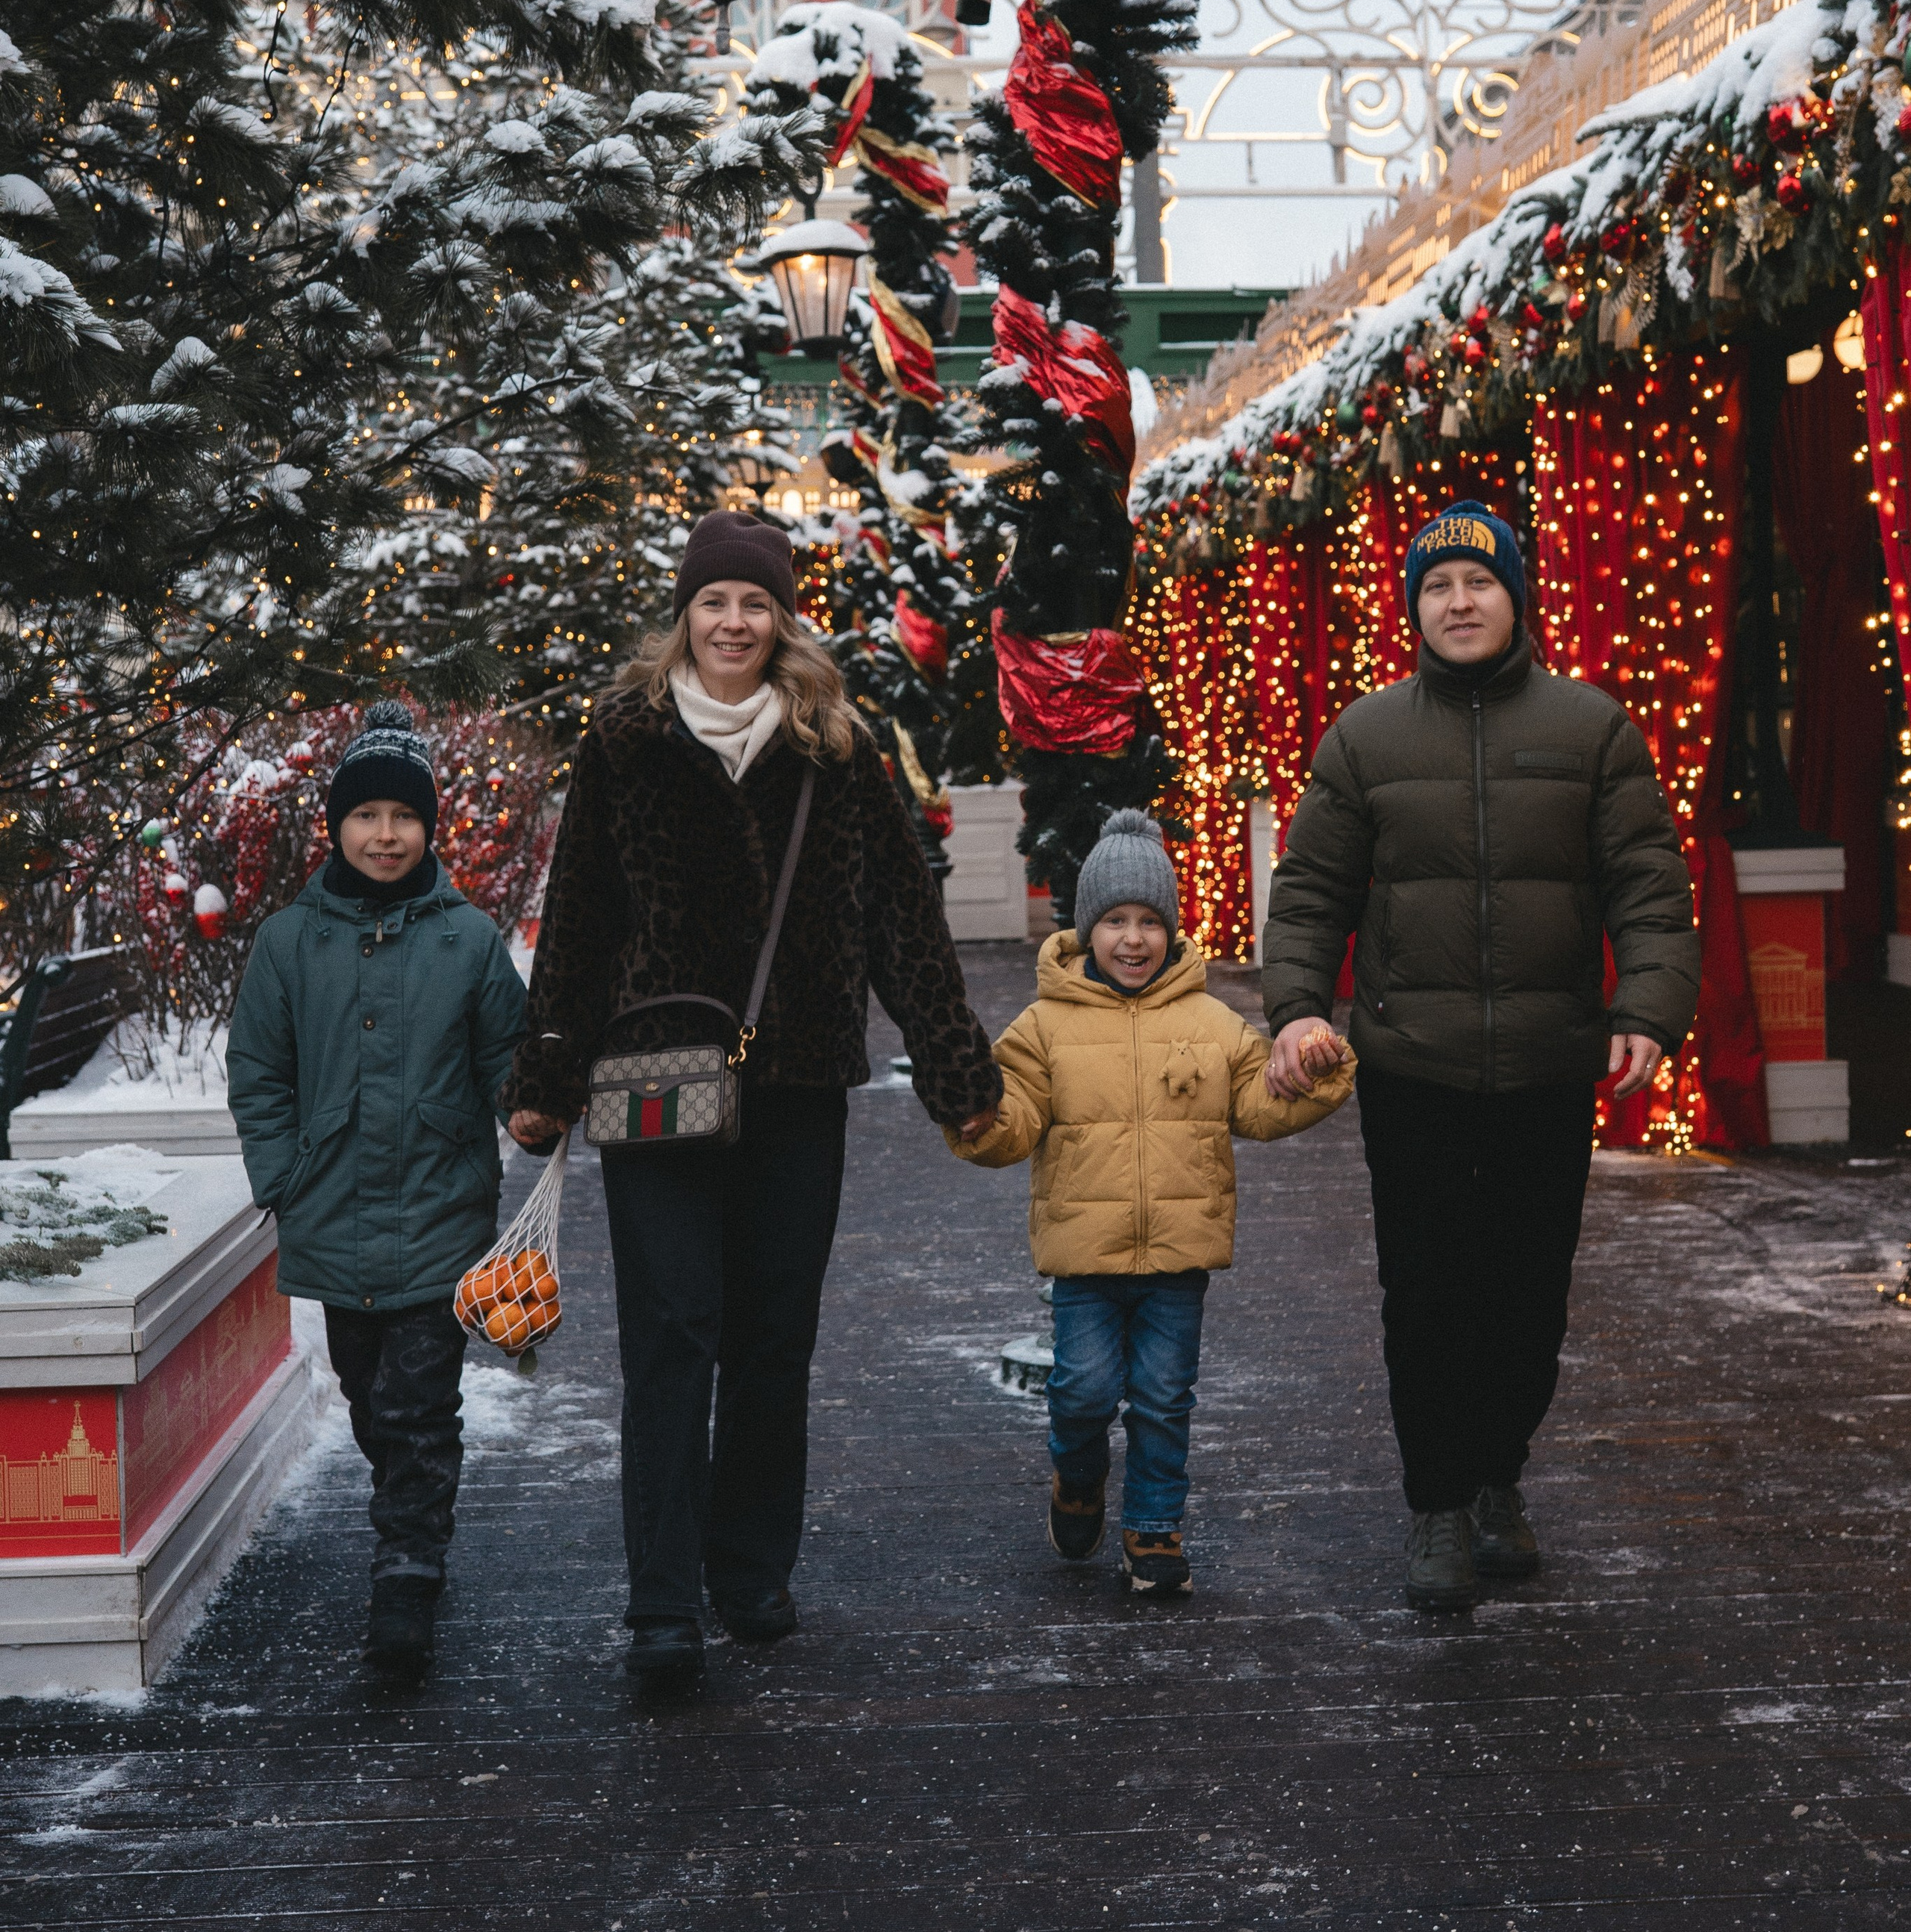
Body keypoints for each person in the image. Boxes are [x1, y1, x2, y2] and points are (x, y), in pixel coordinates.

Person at [505, 508, 1001, 1689]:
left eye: (756, 603)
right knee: (673, 1336)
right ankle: (664, 1603)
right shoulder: (624, 738)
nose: (734, 622)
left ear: (784, 620)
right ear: (685, 614)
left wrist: (955, 1070)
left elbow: (903, 922)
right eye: (715, 602)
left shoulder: (837, 745)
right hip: (655, 1080)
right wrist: (545, 1075)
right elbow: (578, 912)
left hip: (794, 1085)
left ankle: (750, 1568)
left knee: (775, 1337)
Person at [1262, 499, 1700, 1613]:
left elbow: (1648, 887)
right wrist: (1299, 1007)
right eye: (1438, 587)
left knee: (1530, 1293)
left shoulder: (1592, 730)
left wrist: (1648, 1005)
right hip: (1414, 1070)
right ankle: (1437, 1506)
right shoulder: (1365, 737)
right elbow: (1312, 893)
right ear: (1416, 607)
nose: (1459, 603)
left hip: (1552, 1067)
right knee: (1428, 1292)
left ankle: (1500, 1476)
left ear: (1516, 595)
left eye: (1480, 583)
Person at [952, 808, 1354, 1595]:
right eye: (1114, 921)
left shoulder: (1210, 1024)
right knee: (1083, 1393)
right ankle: (1078, 1476)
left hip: (1178, 1254)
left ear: (1171, 927)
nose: (1132, 939)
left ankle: (1154, 1532)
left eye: (1148, 921)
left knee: (1165, 1398)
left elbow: (1258, 1105)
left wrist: (1319, 1074)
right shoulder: (1042, 1027)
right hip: (1086, 1256)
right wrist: (980, 1118)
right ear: (1085, 928)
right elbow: (1018, 1117)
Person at [227, 702, 527, 1671]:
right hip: (331, 1207)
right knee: (367, 1389)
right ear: (338, 828)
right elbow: (258, 1072)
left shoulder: (470, 943)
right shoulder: (287, 943)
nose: (386, 834)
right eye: (367, 817)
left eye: (405, 817)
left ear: (430, 827)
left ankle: (407, 1571)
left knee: (419, 1401)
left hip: (442, 1213)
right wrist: (281, 1177)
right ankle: (412, 1508)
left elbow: (508, 1059)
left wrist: (530, 1104)